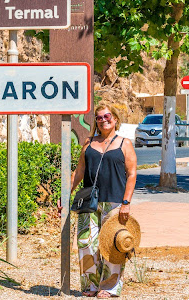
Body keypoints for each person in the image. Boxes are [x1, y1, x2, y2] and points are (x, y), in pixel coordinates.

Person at [71, 103, 138, 298]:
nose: (103, 120)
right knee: (85, 243)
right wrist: (65, 194)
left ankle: (109, 287)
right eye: (99, 117)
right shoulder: (89, 143)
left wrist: (126, 203)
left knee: (112, 246)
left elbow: (132, 174)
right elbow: (78, 172)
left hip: (115, 202)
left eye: (107, 116)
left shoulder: (124, 143)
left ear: (115, 119)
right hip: (88, 201)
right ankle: (90, 285)